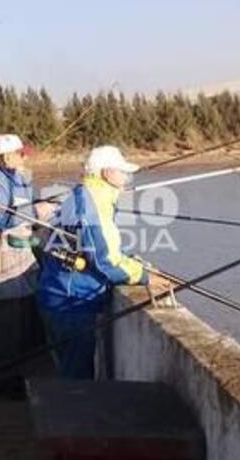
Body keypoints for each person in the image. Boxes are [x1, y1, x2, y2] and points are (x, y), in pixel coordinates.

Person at [37, 145, 170, 380]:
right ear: (108, 173)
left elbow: (105, 246)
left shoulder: (82, 195)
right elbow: (105, 259)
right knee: (76, 382)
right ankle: (75, 417)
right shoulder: (94, 204)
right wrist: (144, 276)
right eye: (123, 172)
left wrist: (133, 261)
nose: (127, 179)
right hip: (72, 303)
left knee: (71, 372)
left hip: (58, 294)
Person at [0, 134, 48, 399]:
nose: (24, 156)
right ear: (6, 156)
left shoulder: (14, 175)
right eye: (20, 153)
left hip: (19, 247)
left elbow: (17, 206)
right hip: (2, 250)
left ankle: (12, 371)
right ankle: (4, 381)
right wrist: (36, 213)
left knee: (17, 315)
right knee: (6, 318)